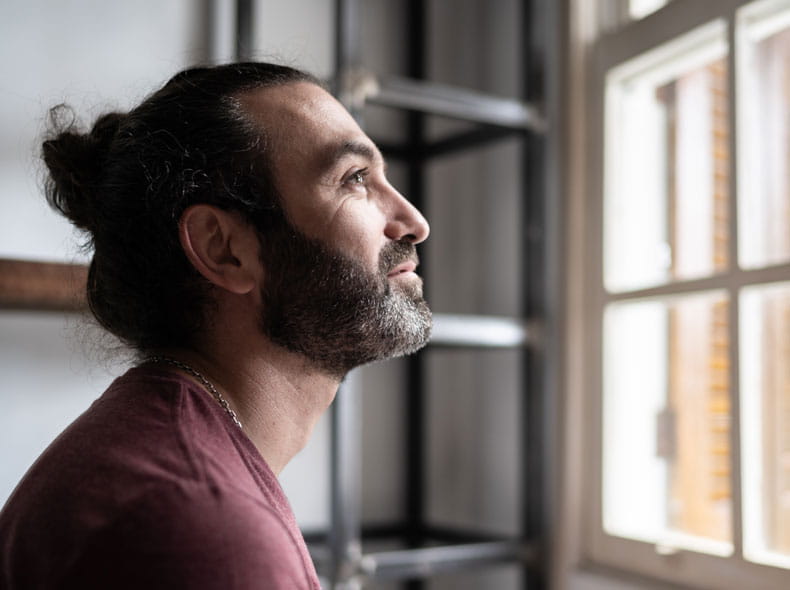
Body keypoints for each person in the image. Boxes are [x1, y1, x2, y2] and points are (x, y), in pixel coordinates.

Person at [0, 62, 431, 589]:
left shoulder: (178, 465)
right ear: (222, 248)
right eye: (355, 180)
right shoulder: (200, 529)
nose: (414, 221)